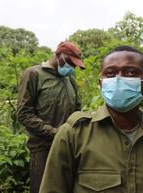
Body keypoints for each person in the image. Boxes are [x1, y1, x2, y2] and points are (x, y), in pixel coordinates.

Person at [39, 46, 143, 193]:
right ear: (101, 83)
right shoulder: (74, 134)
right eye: (110, 74)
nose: (118, 79)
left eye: (130, 73)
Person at [17, 41, 85, 193]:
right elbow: (24, 113)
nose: (72, 68)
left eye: (75, 66)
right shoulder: (34, 74)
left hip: (69, 146)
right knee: (43, 188)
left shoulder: (69, 80)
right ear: (58, 55)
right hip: (43, 148)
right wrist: (54, 133)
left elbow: (77, 109)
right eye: (70, 63)